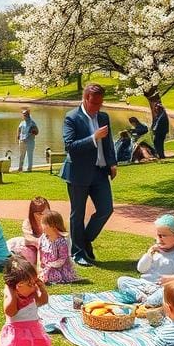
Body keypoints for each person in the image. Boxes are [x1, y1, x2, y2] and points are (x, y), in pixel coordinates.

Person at [62, 83, 118, 267]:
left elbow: (108, 142)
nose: (97, 108)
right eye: (94, 103)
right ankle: (77, 253)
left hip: (100, 172)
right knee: (77, 214)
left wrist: (112, 162)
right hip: (78, 172)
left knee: (106, 209)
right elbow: (70, 146)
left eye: (100, 103)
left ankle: (84, 240)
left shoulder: (103, 117)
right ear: (85, 99)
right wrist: (93, 137)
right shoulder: (72, 118)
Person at [116, 215, 174, 306]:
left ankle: (147, 302)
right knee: (122, 280)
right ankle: (142, 298)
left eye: (164, 235)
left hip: (161, 288)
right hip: (144, 284)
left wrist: (171, 278)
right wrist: (149, 254)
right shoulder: (154, 251)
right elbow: (141, 269)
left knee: (167, 292)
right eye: (158, 235)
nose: (160, 238)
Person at [37, 210, 80, 285]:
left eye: (44, 224)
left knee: (51, 275)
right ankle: (41, 277)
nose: (42, 226)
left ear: (53, 226)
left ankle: (43, 278)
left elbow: (62, 259)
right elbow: (40, 252)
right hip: (45, 266)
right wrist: (41, 265)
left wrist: (49, 266)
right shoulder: (43, 238)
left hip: (58, 268)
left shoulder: (61, 242)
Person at [6, 197, 48, 265]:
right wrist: (43, 243)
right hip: (30, 248)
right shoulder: (27, 222)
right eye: (39, 214)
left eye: (46, 212)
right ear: (32, 213)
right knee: (29, 256)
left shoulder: (53, 221)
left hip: (45, 249)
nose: (44, 216)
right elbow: (29, 239)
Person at [15, 108, 39, 172]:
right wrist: (18, 136)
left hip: (30, 141)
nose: (24, 115)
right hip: (22, 141)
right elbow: (19, 129)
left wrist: (33, 131)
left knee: (29, 155)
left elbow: (37, 131)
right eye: (23, 114)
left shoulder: (32, 123)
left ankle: (29, 169)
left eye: (25, 114)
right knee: (21, 155)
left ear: (28, 115)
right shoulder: (22, 122)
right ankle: (20, 168)